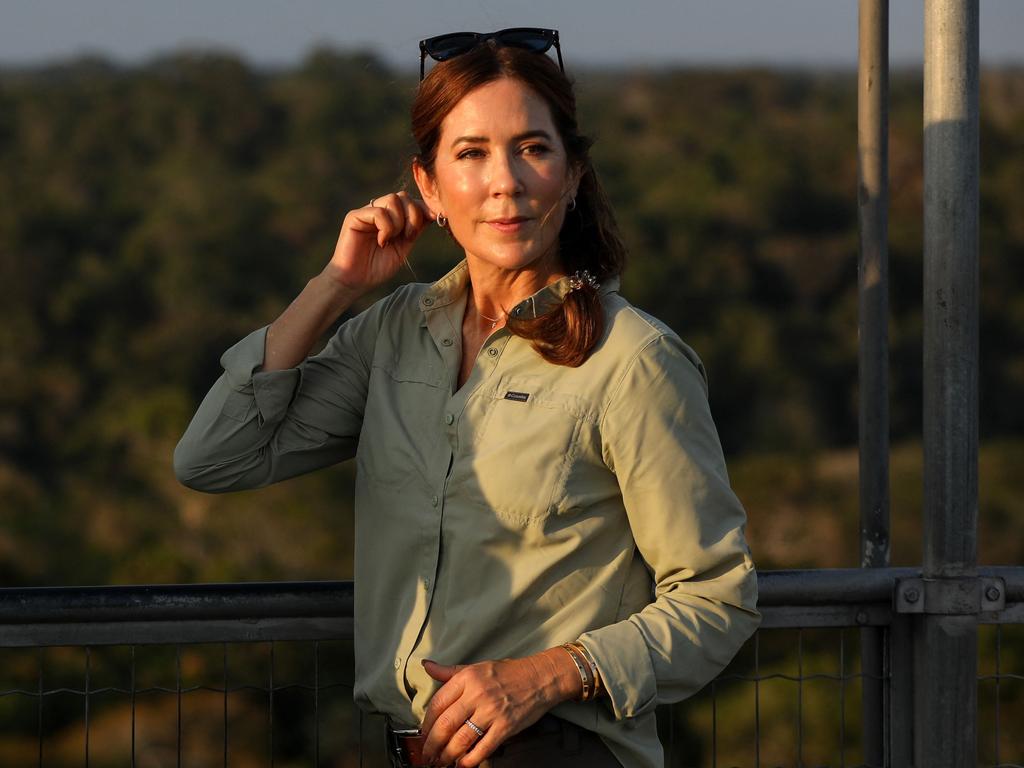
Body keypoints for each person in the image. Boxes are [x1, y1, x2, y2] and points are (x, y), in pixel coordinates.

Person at [174, 27, 759, 768]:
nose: (505, 181)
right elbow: (216, 457)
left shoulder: (632, 359)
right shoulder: (393, 333)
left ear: (573, 175)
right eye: (472, 152)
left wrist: (548, 675)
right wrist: (336, 287)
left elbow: (717, 600)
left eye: (534, 149)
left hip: (556, 752)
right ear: (428, 185)